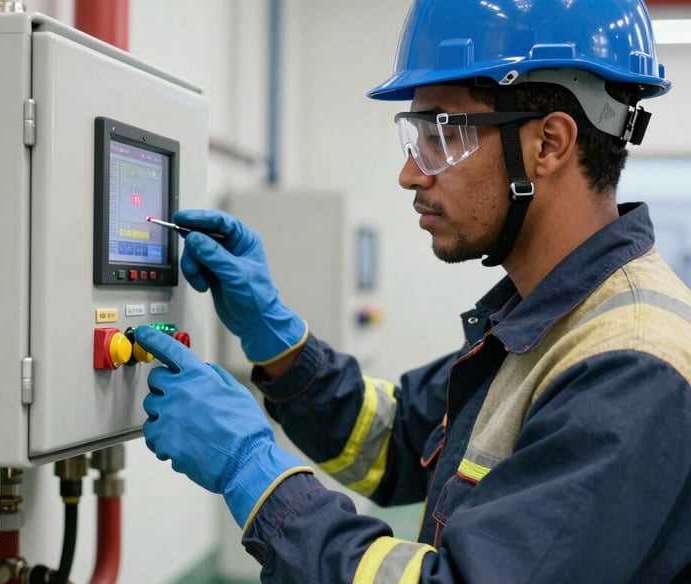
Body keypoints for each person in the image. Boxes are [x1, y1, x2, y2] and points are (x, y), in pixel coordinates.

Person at [134, 0, 691, 581]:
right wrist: (274, 335)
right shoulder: (544, 319)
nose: (411, 173)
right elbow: (395, 439)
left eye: (441, 133)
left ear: (548, 144)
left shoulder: (629, 364)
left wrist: (251, 471)